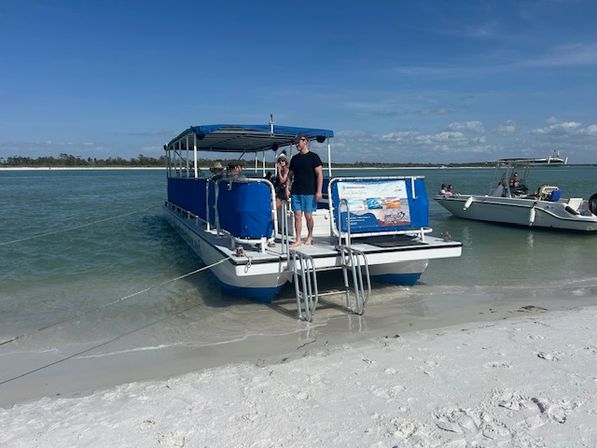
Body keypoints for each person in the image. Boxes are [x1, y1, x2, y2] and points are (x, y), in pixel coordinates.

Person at [288, 134, 323, 247]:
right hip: (296, 191)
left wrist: (319, 191)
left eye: (299, 142)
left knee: (308, 216)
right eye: (296, 142)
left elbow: (319, 175)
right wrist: (287, 188)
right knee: (297, 215)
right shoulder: (294, 158)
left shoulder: (314, 157)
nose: (297, 144)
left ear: (305, 141)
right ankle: (298, 239)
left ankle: (310, 236)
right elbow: (290, 175)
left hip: (309, 191)